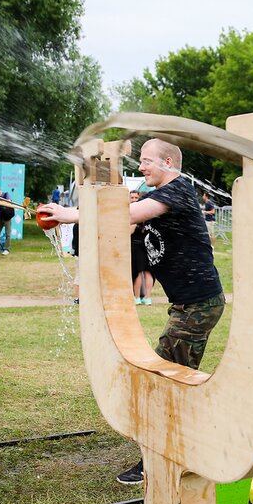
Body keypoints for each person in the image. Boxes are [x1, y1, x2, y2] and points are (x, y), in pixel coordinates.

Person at [38, 138, 225, 485]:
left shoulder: (178, 191)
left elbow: (124, 216)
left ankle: (160, 461)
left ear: (168, 162)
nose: (141, 168)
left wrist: (70, 215)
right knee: (170, 384)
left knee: (159, 383)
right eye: (139, 161)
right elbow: (119, 225)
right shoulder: (158, 197)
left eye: (147, 161)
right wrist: (101, 200)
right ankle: (179, 450)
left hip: (198, 306)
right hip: (190, 305)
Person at [129, 190, 154, 305]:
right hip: (147, 244)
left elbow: (130, 231)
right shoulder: (149, 213)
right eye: (132, 197)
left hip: (137, 245)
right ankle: (147, 298)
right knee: (147, 272)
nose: (134, 200)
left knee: (139, 271)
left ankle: (137, 297)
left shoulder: (136, 214)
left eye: (136, 197)